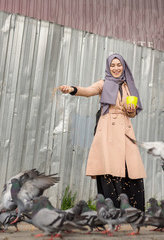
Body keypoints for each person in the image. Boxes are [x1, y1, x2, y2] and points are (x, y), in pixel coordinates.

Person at [59, 53, 146, 211]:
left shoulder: (129, 86)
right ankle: (111, 209)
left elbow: (132, 113)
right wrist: (72, 89)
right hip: (107, 132)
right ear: (108, 67)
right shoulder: (104, 84)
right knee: (108, 168)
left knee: (129, 168)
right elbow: (88, 91)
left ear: (123, 66)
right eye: (112, 65)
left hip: (125, 131)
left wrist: (131, 110)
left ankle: (133, 210)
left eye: (118, 65)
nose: (116, 68)